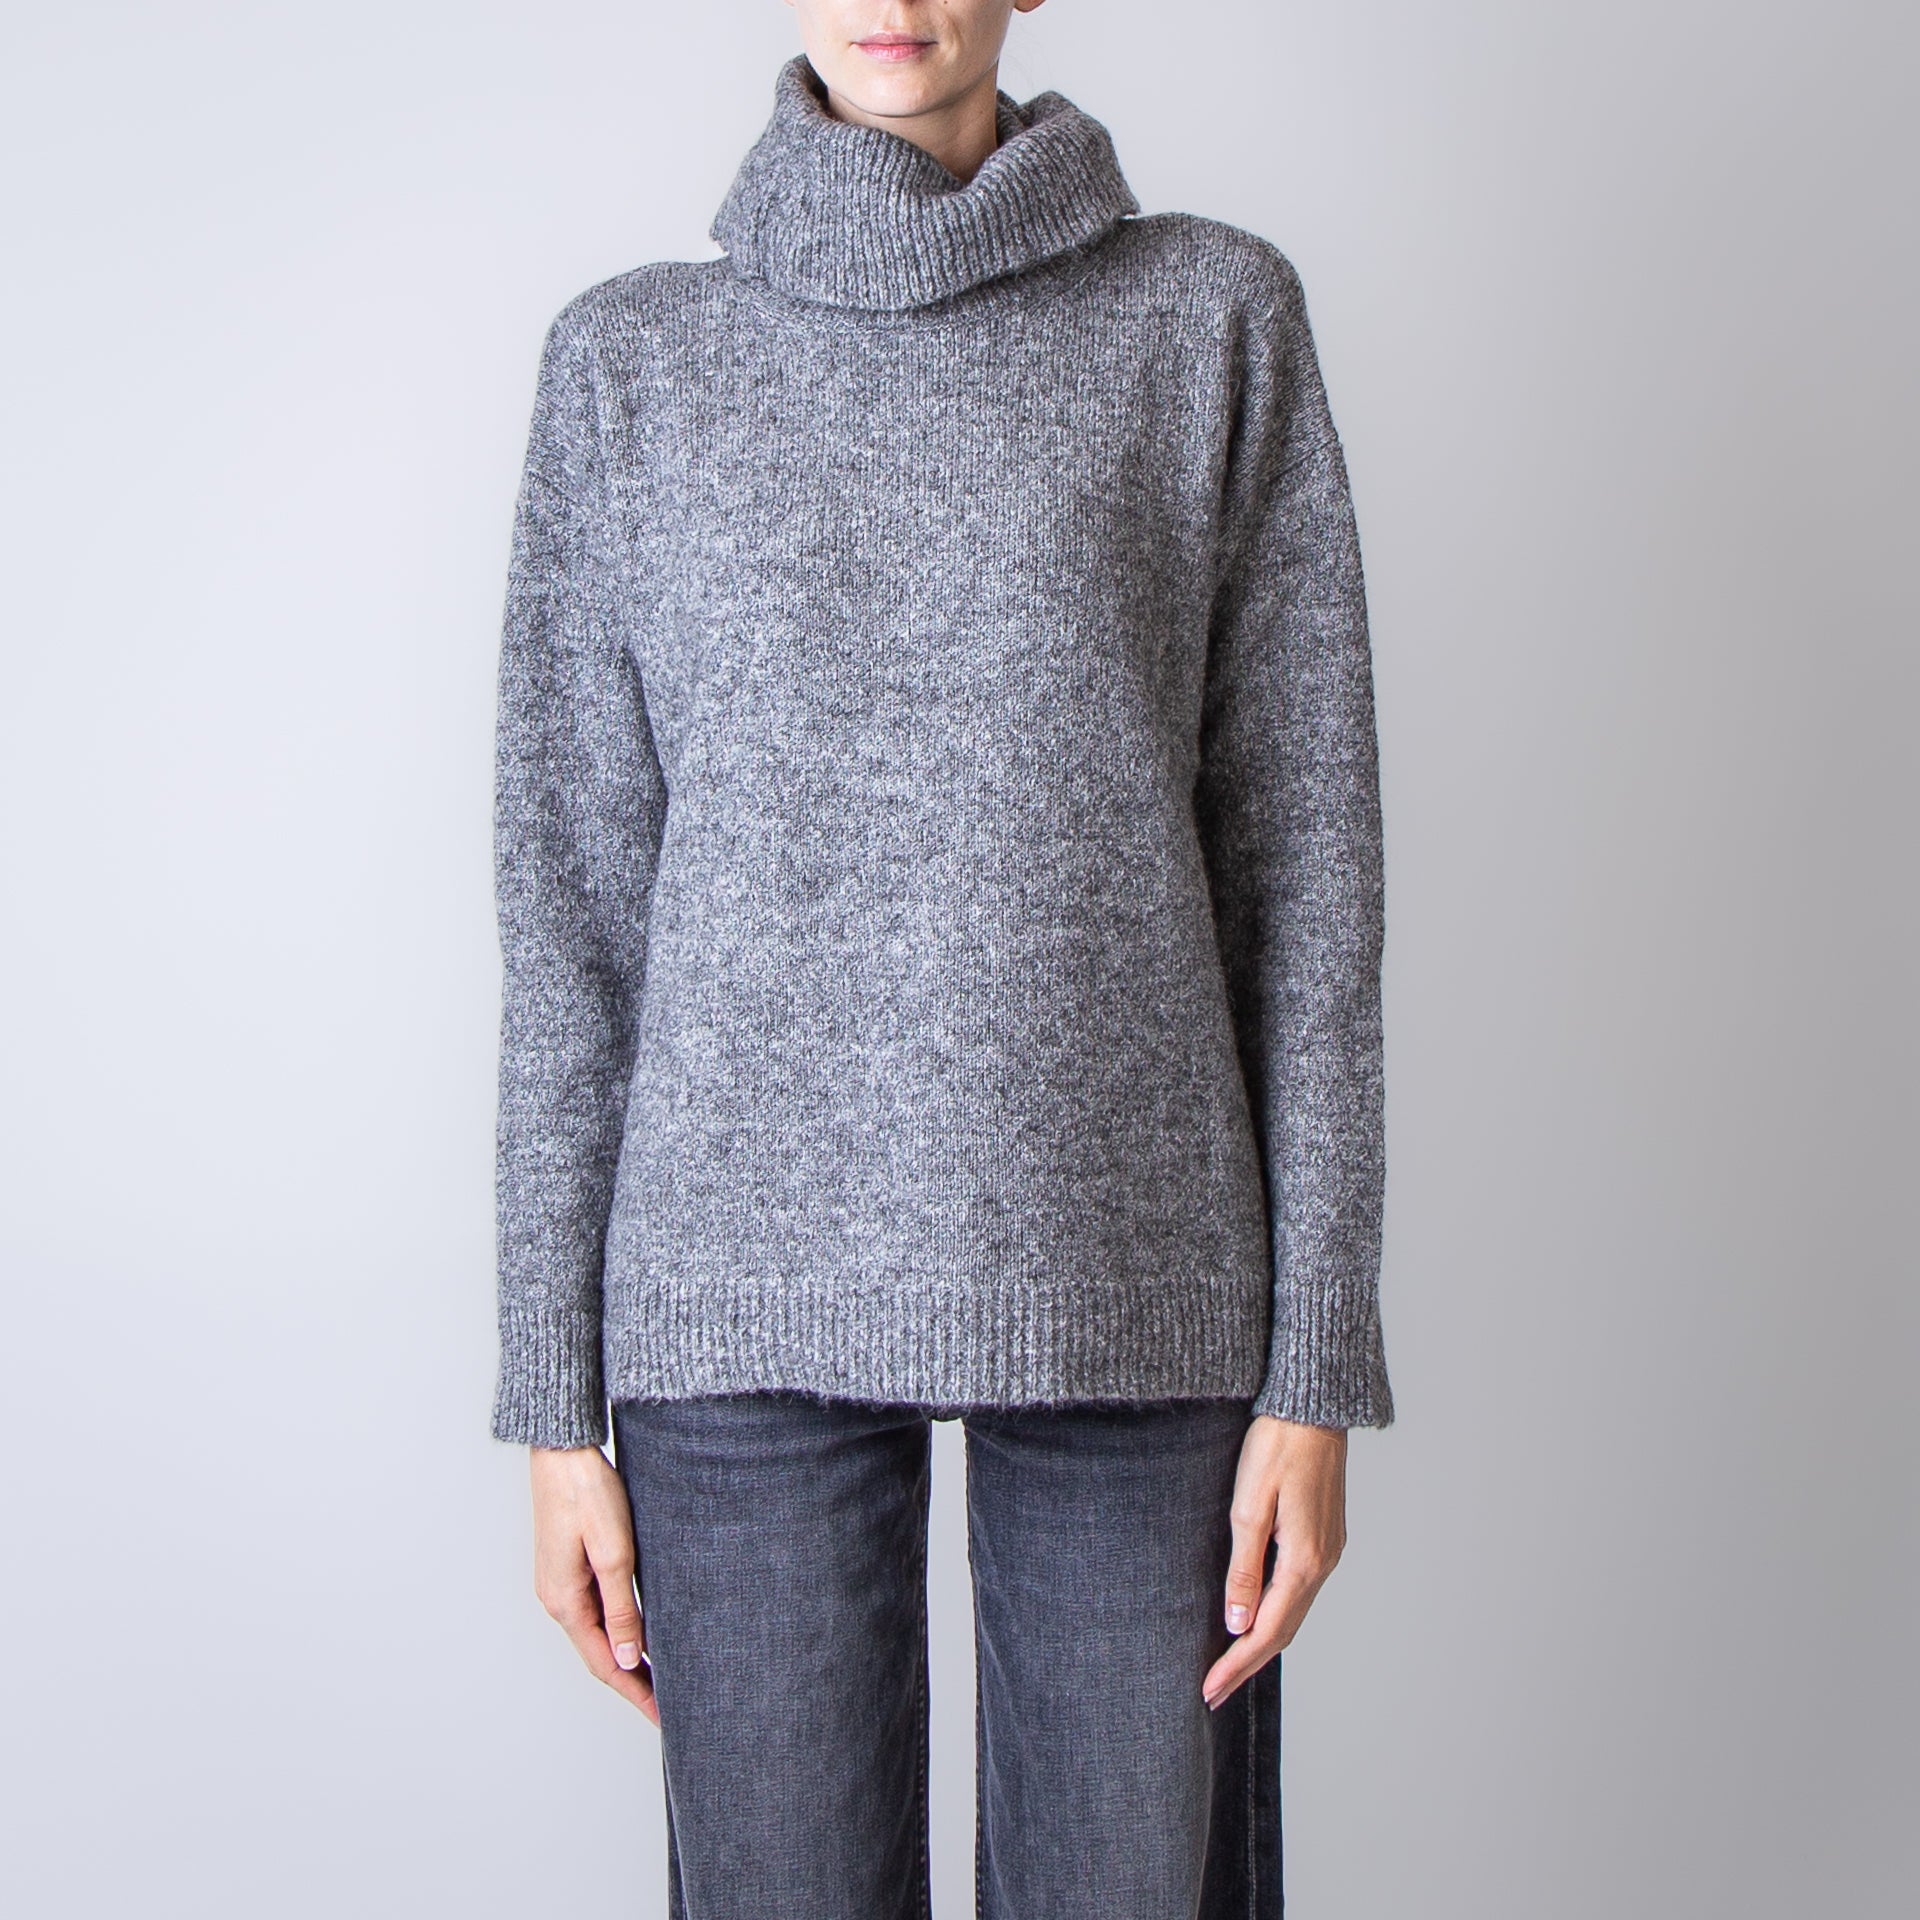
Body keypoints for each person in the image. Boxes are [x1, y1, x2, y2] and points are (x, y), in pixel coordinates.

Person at [487, 2, 1395, 1913]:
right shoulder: (629, 368)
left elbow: (1304, 877)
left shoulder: (1211, 321)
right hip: (732, 1297)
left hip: (1136, 1280)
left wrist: (1315, 1365)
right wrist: (554, 1405)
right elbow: (572, 921)